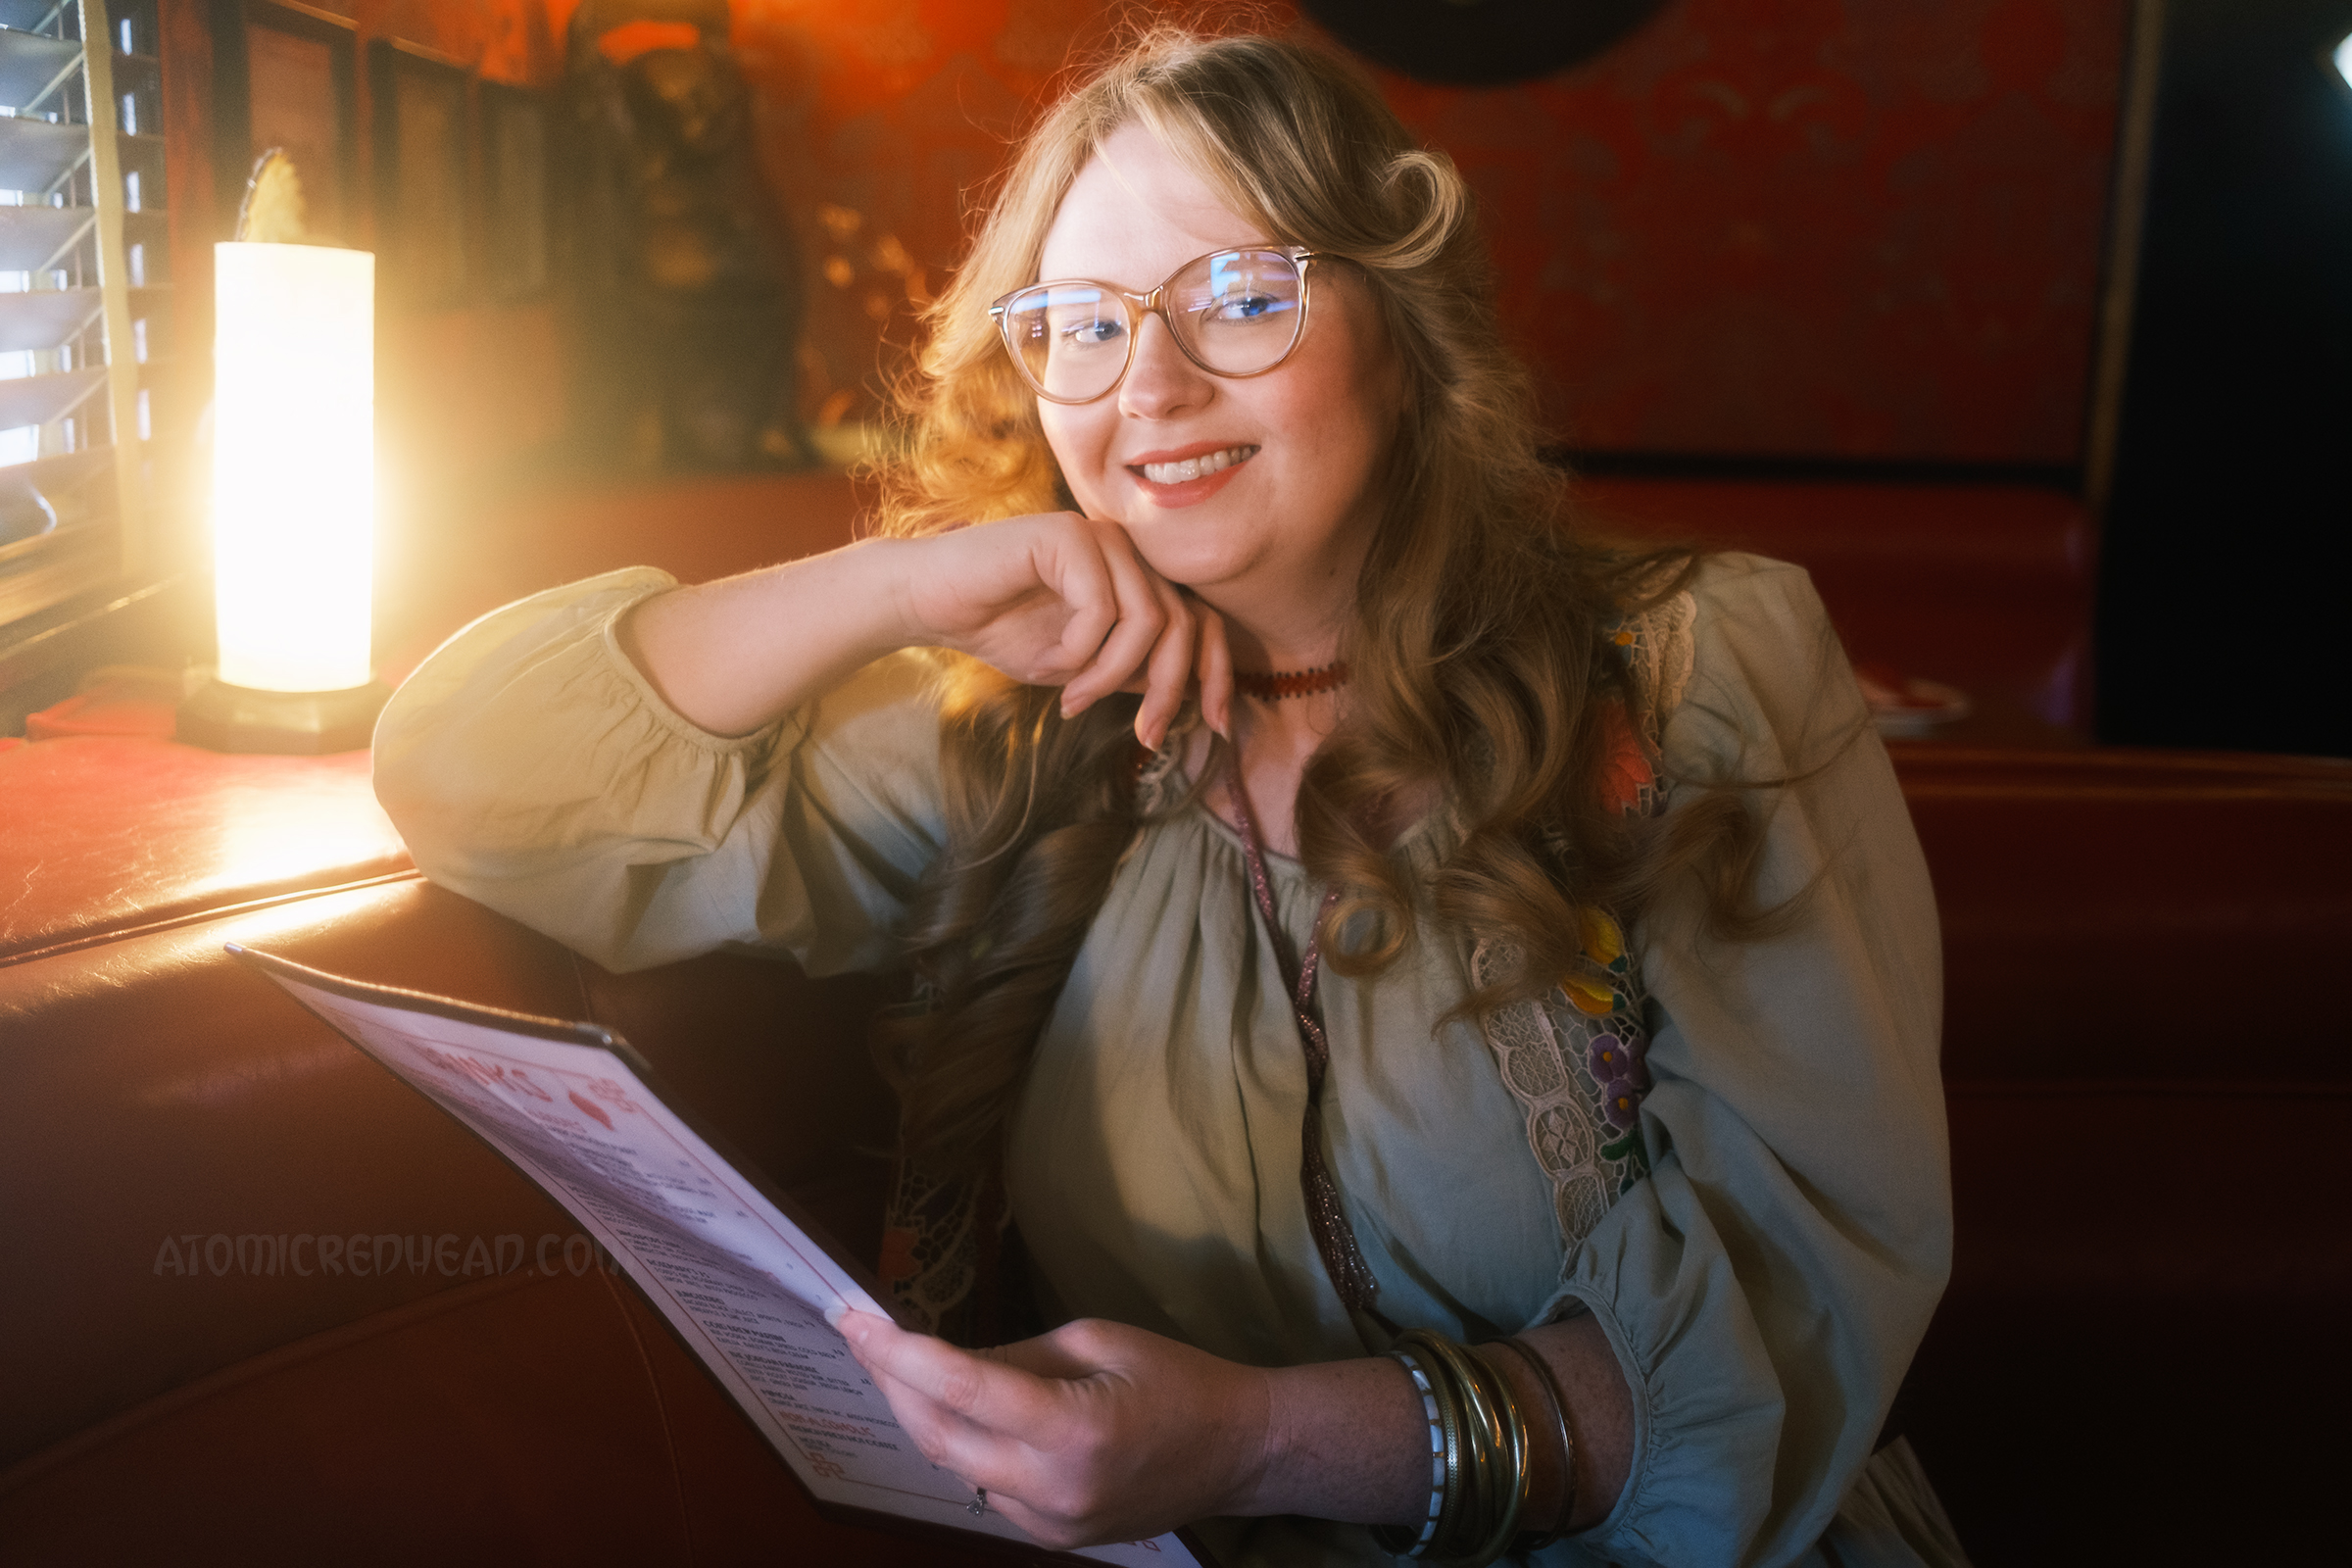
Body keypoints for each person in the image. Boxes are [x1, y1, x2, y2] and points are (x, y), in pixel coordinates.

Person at [375, 28, 1963, 1568]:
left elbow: (1800, 1318)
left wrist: (1258, 1438)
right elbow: (468, 774)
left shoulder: (1697, 672)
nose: (1151, 383)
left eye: (1243, 296)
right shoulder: (1007, 730)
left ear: (1406, 336)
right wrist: (904, 584)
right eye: (1080, 322)